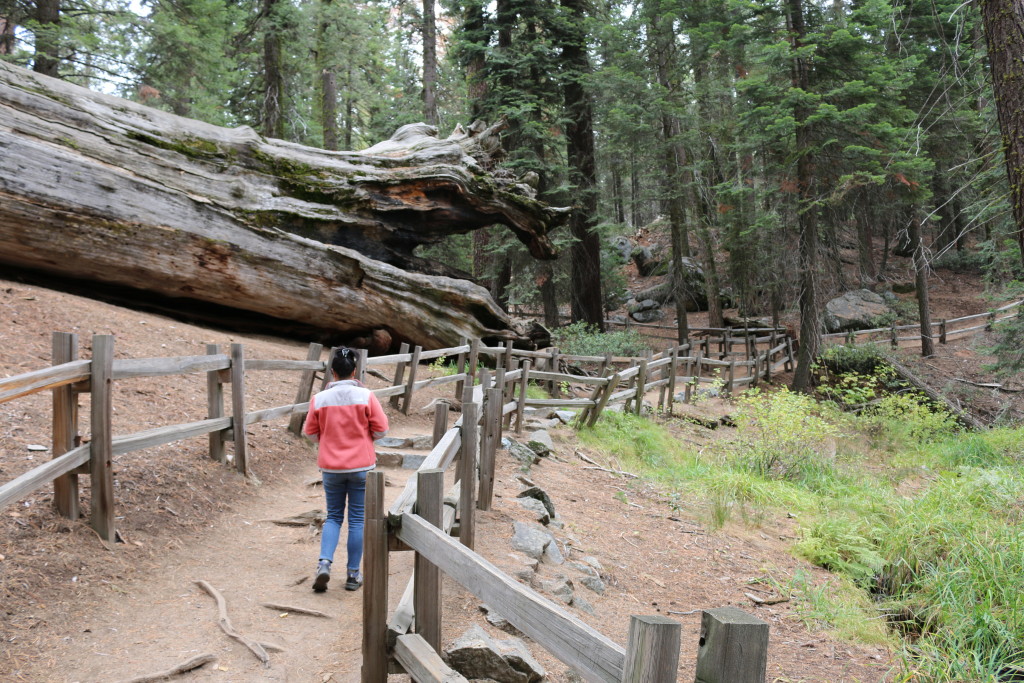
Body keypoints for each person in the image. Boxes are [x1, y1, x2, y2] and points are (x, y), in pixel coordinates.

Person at [303, 347, 388, 592]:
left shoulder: (319, 399)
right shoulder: (366, 396)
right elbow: (382, 430)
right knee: (357, 520)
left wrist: (328, 441)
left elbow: (310, 433)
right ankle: (352, 574)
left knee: (333, 516)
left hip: (331, 467)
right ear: (354, 371)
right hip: (361, 466)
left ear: (332, 372)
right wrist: (365, 438)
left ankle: (324, 563)